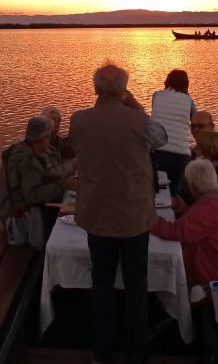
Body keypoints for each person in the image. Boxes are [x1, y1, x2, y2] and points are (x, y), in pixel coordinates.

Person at [69, 63, 166, 364]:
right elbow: (162, 139)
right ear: (124, 89)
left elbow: (73, 148)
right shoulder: (140, 122)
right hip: (134, 218)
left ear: (95, 87)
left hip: (97, 217)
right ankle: (138, 352)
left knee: (102, 284)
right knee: (137, 285)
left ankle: (101, 352)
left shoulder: (79, 120)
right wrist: (134, 104)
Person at [151, 160, 218, 290]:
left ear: (193, 187)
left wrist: (148, 220)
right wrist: (185, 209)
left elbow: (177, 232)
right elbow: (209, 223)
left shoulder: (207, 207)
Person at [0, 116, 78, 250]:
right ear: (43, 138)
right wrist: (64, 185)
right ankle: (54, 249)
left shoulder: (22, 149)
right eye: (48, 137)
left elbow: (39, 179)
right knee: (69, 209)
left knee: (67, 203)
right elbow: (33, 195)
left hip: (9, 211)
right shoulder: (29, 160)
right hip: (18, 219)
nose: (49, 142)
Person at [150, 69, 197, 203]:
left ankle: (157, 219)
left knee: (156, 188)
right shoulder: (188, 100)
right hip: (181, 152)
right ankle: (173, 218)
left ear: (167, 81)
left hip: (158, 149)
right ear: (186, 84)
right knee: (174, 190)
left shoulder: (157, 95)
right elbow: (195, 118)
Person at [41, 105, 76, 179]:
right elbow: (50, 174)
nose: (57, 123)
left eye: (59, 120)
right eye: (53, 119)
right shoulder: (38, 146)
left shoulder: (59, 142)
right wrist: (74, 164)